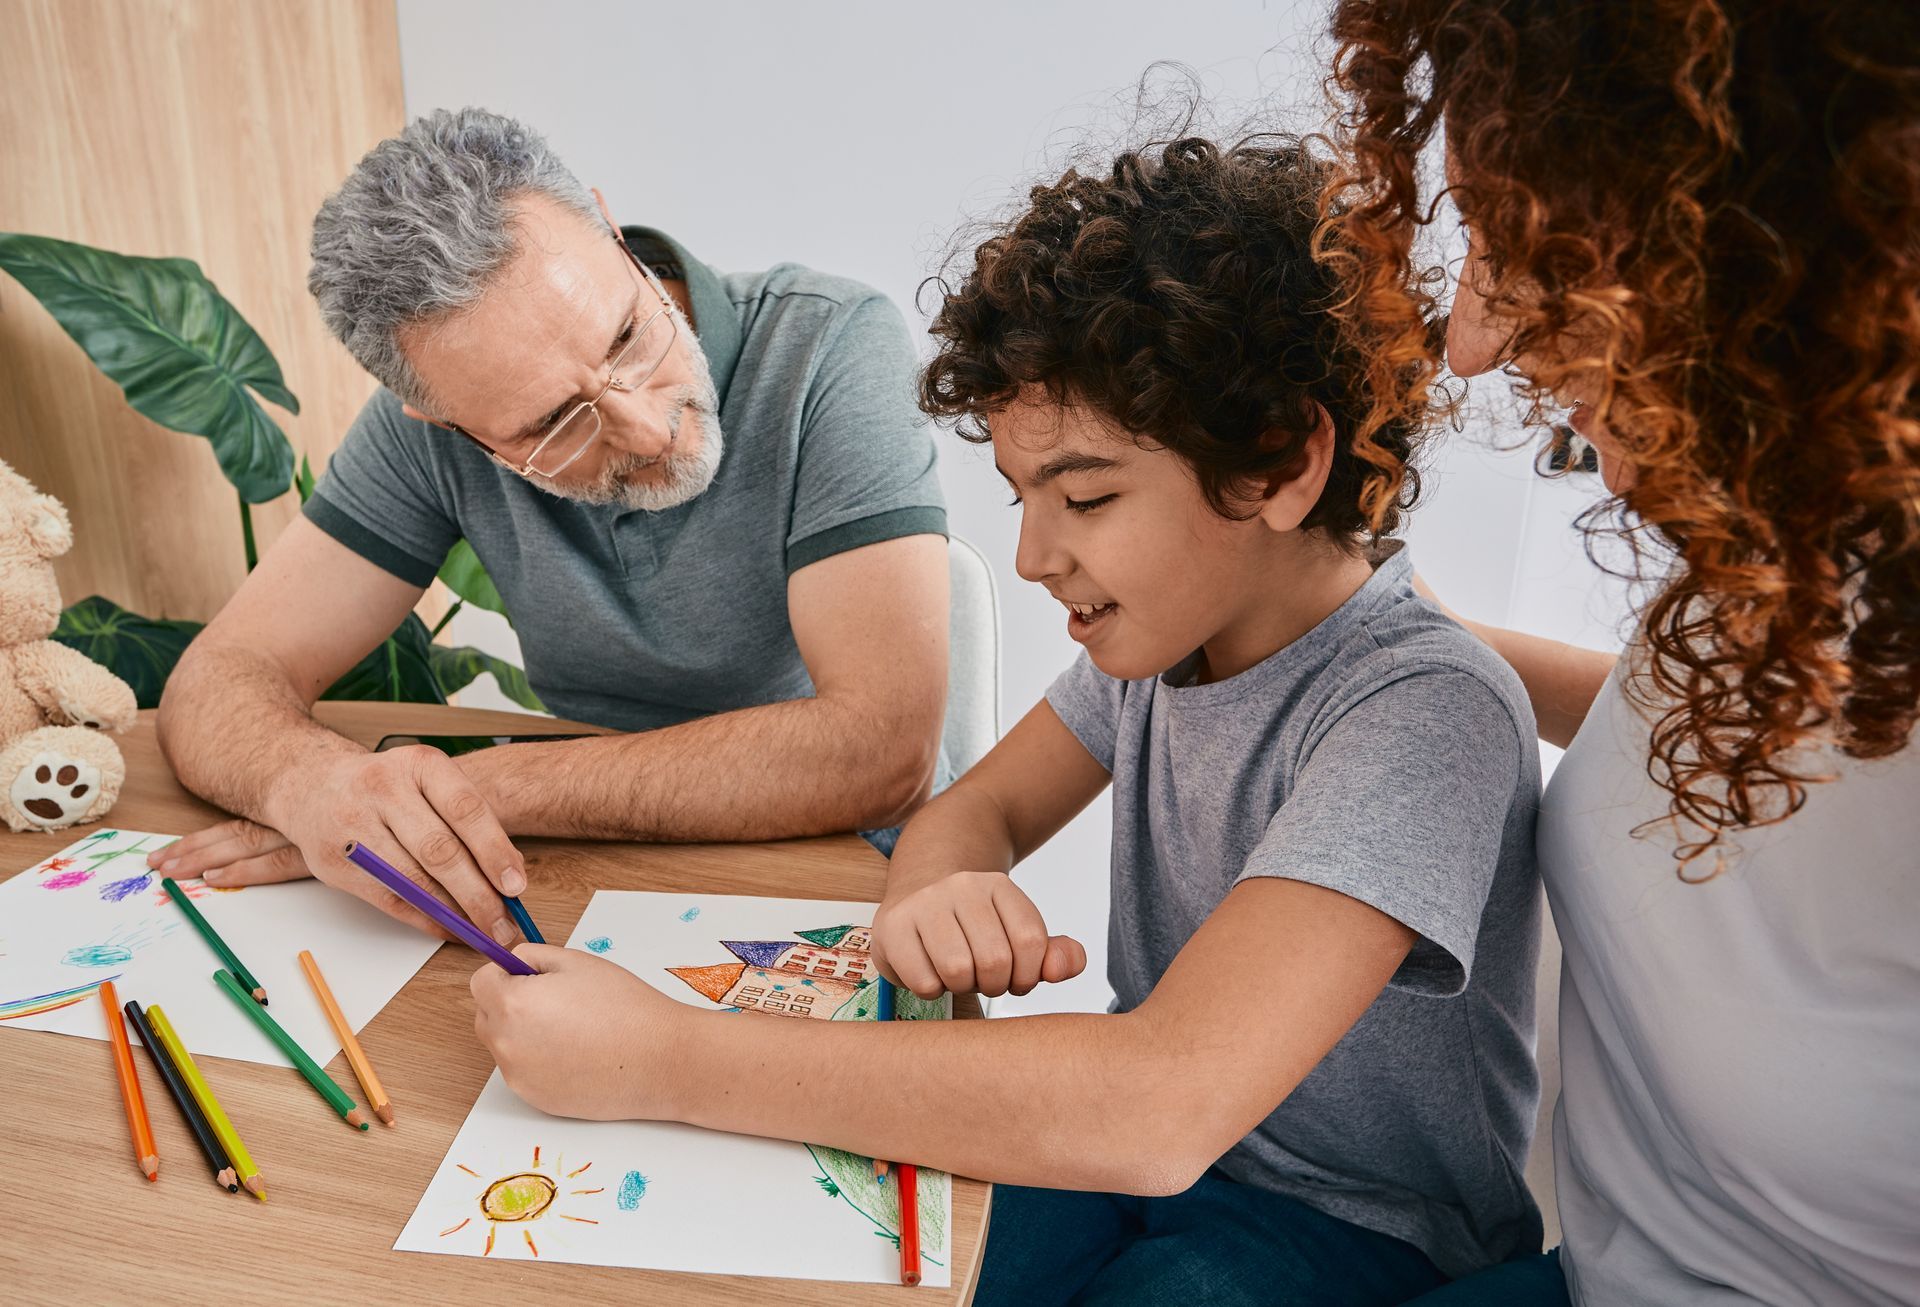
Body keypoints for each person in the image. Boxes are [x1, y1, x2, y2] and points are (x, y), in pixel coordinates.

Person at [467, 136, 1545, 1306]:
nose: (1032, 556)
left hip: (1356, 1228)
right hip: (1155, 1171)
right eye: (1024, 497)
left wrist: (662, 1057)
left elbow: (1158, 1103)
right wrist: (943, 882)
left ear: (1281, 462)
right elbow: (973, 804)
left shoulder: (1423, 711)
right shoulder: (1165, 645)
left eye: (1084, 496)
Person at [1319, 3, 1920, 1302]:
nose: (1471, 340)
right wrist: (1405, 630)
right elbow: (1768, 786)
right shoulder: (1792, 549)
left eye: (1518, 234)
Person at [152, 109, 951, 946]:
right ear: (442, 420)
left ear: (609, 228)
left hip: (849, 871)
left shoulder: (829, 343)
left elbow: (881, 749)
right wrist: (314, 785)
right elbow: (220, 679)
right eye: (553, 423)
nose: (648, 428)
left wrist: (470, 794)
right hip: (584, 875)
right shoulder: (426, 434)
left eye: (628, 335)